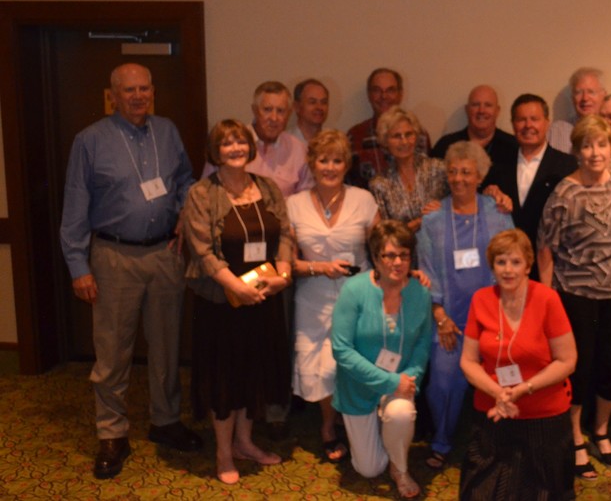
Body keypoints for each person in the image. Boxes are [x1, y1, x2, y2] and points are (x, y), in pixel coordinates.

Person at [60, 63, 201, 479]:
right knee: (112, 350)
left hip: (164, 254)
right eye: (129, 90)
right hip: (113, 256)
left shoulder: (167, 131)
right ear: (113, 96)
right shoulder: (90, 140)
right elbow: (74, 206)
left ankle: (166, 420)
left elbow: (186, 180)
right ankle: (112, 433)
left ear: (152, 91)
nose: (138, 96)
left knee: (166, 345)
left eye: (144, 89)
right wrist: (78, 266)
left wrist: (183, 212)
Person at [182, 119, 294, 484]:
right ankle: (224, 453)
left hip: (264, 296)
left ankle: (245, 443)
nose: (235, 148)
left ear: (251, 147)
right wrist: (237, 288)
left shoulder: (267, 187)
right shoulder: (201, 193)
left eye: (241, 141)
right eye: (227, 143)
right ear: (215, 152)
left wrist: (283, 275)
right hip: (222, 303)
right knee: (225, 379)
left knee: (253, 372)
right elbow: (203, 252)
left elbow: (285, 235)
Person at [536, 115, 611, 479]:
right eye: (587, 145)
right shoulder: (565, 193)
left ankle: (601, 430)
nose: (595, 152)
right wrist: (547, 301)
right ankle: (576, 437)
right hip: (576, 296)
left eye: (601, 144)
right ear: (577, 151)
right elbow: (545, 247)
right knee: (580, 370)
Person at [459, 229, 577, 500]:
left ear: (528, 265)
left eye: (515, 262)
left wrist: (524, 388)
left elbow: (567, 360)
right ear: (492, 266)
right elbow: (468, 361)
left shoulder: (547, 299)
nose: (508, 270)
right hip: (494, 409)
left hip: (543, 413)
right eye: (501, 262)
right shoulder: (481, 300)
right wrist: (498, 393)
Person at [415, 141, 513, 468]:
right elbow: (427, 269)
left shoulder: (498, 213)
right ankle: (442, 441)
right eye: (453, 171)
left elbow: (511, 260)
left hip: (493, 317)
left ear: (480, 176)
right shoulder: (433, 219)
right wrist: (440, 315)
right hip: (450, 320)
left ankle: (500, 444)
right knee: (442, 382)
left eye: (466, 172)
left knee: (504, 376)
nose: (458, 178)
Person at [286, 130, 380, 462]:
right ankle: (328, 425)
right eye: (323, 160)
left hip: (358, 296)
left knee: (351, 365)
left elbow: (381, 249)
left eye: (337, 160)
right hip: (313, 298)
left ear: (346, 165)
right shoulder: (294, 205)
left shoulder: (364, 200)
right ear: (312, 163)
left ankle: (354, 424)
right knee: (320, 369)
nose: (329, 167)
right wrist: (320, 268)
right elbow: (288, 263)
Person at [331, 221, 433, 499]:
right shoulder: (354, 290)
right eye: (389, 255)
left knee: (400, 414)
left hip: (400, 382)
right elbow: (341, 349)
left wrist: (409, 379)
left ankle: (399, 468)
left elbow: (423, 343)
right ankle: (382, 435)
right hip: (359, 386)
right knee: (370, 469)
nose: (397, 262)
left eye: (404, 255)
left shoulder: (421, 293)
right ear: (376, 258)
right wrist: (389, 381)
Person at [481, 94, 576, 273]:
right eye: (521, 120)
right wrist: (489, 193)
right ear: (513, 124)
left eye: (534, 119)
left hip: (553, 269)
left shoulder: (567, 166)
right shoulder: (496, 165)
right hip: (508, 269)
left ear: (547, 123)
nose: (528, 125)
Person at [202, 81, 313, 199]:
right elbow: (205, 192)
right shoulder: (229, 146)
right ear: (255, 110)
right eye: (267, 110)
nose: (274, 118)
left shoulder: (298, 150)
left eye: (280, 111)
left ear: (289, 113)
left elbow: (306, 200)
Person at [368, 106, 448, 233]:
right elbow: (385, 234)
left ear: (416, 136)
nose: (404, 141)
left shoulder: (438, 169)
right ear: (385, 141)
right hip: (402, 245)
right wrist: (418, 222)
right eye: (396, 136)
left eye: (409, 134)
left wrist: (444, 209)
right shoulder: (380, 184)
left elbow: (461, 207)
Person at [347, 68, 431, 189]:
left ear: (400, 94)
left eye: (390, 90)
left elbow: (429, 180)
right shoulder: (355, 136)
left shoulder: (419, 135)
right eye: (377, 90)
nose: (384, 96)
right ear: (369, 95)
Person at [430, 85, 519, 167]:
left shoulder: (514, 147)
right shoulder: (446, 145)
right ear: (467, 110)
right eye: (476, 105)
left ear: (497, 111)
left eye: (488, 105)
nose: (481, 111)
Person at [548, 67, 607, 153]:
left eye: (591, 92)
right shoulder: (557, 131)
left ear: (603, 95)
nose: (585, 98)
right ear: (572, 97)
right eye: (578, 92)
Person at [290, 78, 331, 143]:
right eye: (312, 102)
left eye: (323, 102)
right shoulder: (284, 143)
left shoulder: (333, 143)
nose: (319, 107)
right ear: (297, 107)